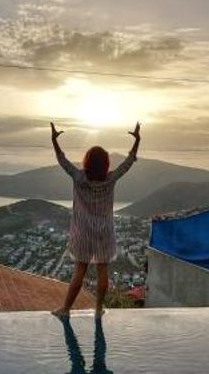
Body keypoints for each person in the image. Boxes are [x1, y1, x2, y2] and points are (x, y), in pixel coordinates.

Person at [50, 121, 141, 318]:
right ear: (106, 164)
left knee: (79, 272)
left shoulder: (78, 177)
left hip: (82, 232)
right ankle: (99, 309)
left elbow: (62, 160)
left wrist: (54, 141)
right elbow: (128, 162)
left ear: (87, 161)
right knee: (103, 271)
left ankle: (65, 309)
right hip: (104, 232)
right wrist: (137, 141)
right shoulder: (111, 179)